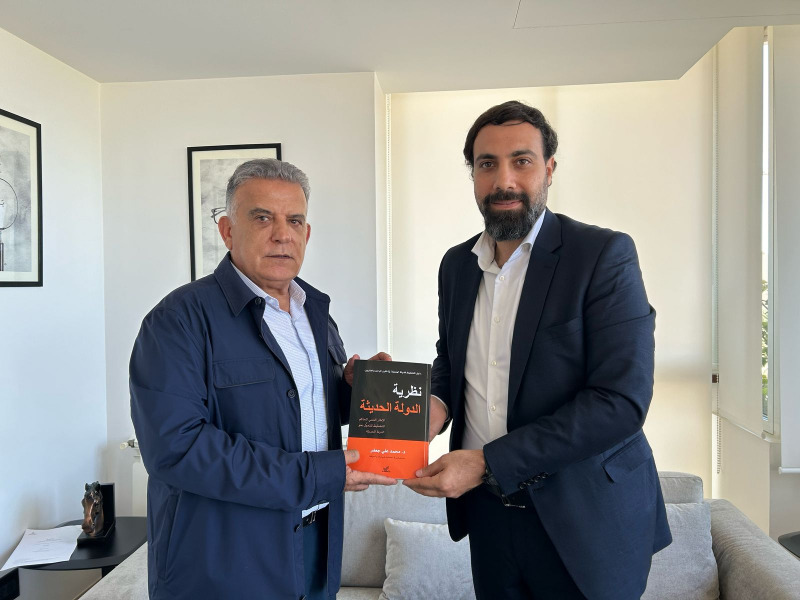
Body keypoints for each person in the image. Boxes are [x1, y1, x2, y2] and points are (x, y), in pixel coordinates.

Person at [404, 101, 671, 600]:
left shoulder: (603, 255)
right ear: (473, 175)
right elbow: (452, 360)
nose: (503, 180)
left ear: (549, 169)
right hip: (488, 514)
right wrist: (434, 404)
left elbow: (621, 401)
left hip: (587, 517)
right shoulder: (456, 265)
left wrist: (486, 462)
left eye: (521, 161)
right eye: (487, 164)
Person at [130, 158, 395, 600]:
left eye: (295, 220)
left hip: (316, 542)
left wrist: (355, 389)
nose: (282, 234)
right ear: (227, 231)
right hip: (224, 561)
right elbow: (177, 449)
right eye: (262, 218)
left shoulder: (315, 313)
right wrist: (316, 475)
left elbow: (299, 408)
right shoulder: (177, 320)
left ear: (307, 234)